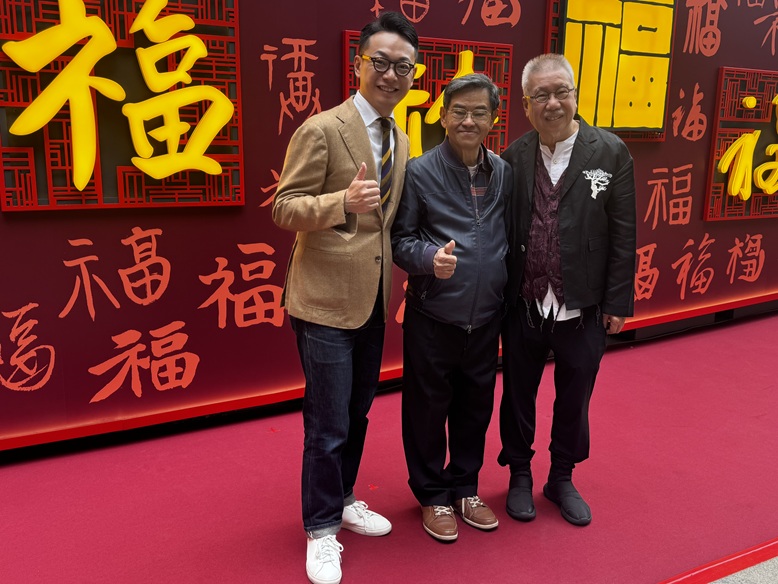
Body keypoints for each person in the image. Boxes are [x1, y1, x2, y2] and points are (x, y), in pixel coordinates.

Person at [272, 12, 418, 584]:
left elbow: (387, 224)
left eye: (403, 66)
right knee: (327, 423)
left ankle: (346, 496)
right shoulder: (322, 129)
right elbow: (285, 207)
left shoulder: (401, 137)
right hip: (324, 302)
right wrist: (340, 203)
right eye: (380, 62)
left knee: (357, 414)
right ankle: (321, 529)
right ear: (359, 64)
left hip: (373, 299)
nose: (391, 74)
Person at [498, 53, 636, 527]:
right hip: (524, 303)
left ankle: (561, 477)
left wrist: (617, 301)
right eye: (541, 95)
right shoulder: (514, 157)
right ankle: (519, 474)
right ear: (525, 104)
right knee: (518, 393)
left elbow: (624, 232)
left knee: (575, 395)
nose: (553, 103)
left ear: (576, 95)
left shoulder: (610, 152)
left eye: (562, 92)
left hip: (584, 303)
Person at [391, 73, 511, 542]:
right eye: (458, 111)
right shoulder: (419, 172)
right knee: (426, 409)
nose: (468, 120)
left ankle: (465, 488)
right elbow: (400, 240)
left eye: (479, 112)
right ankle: (432, 494)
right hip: (433, 313)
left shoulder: (503, 172)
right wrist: (429, 259)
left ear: (493, 119)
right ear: (441, 117)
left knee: (475, 408)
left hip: (486, 316)